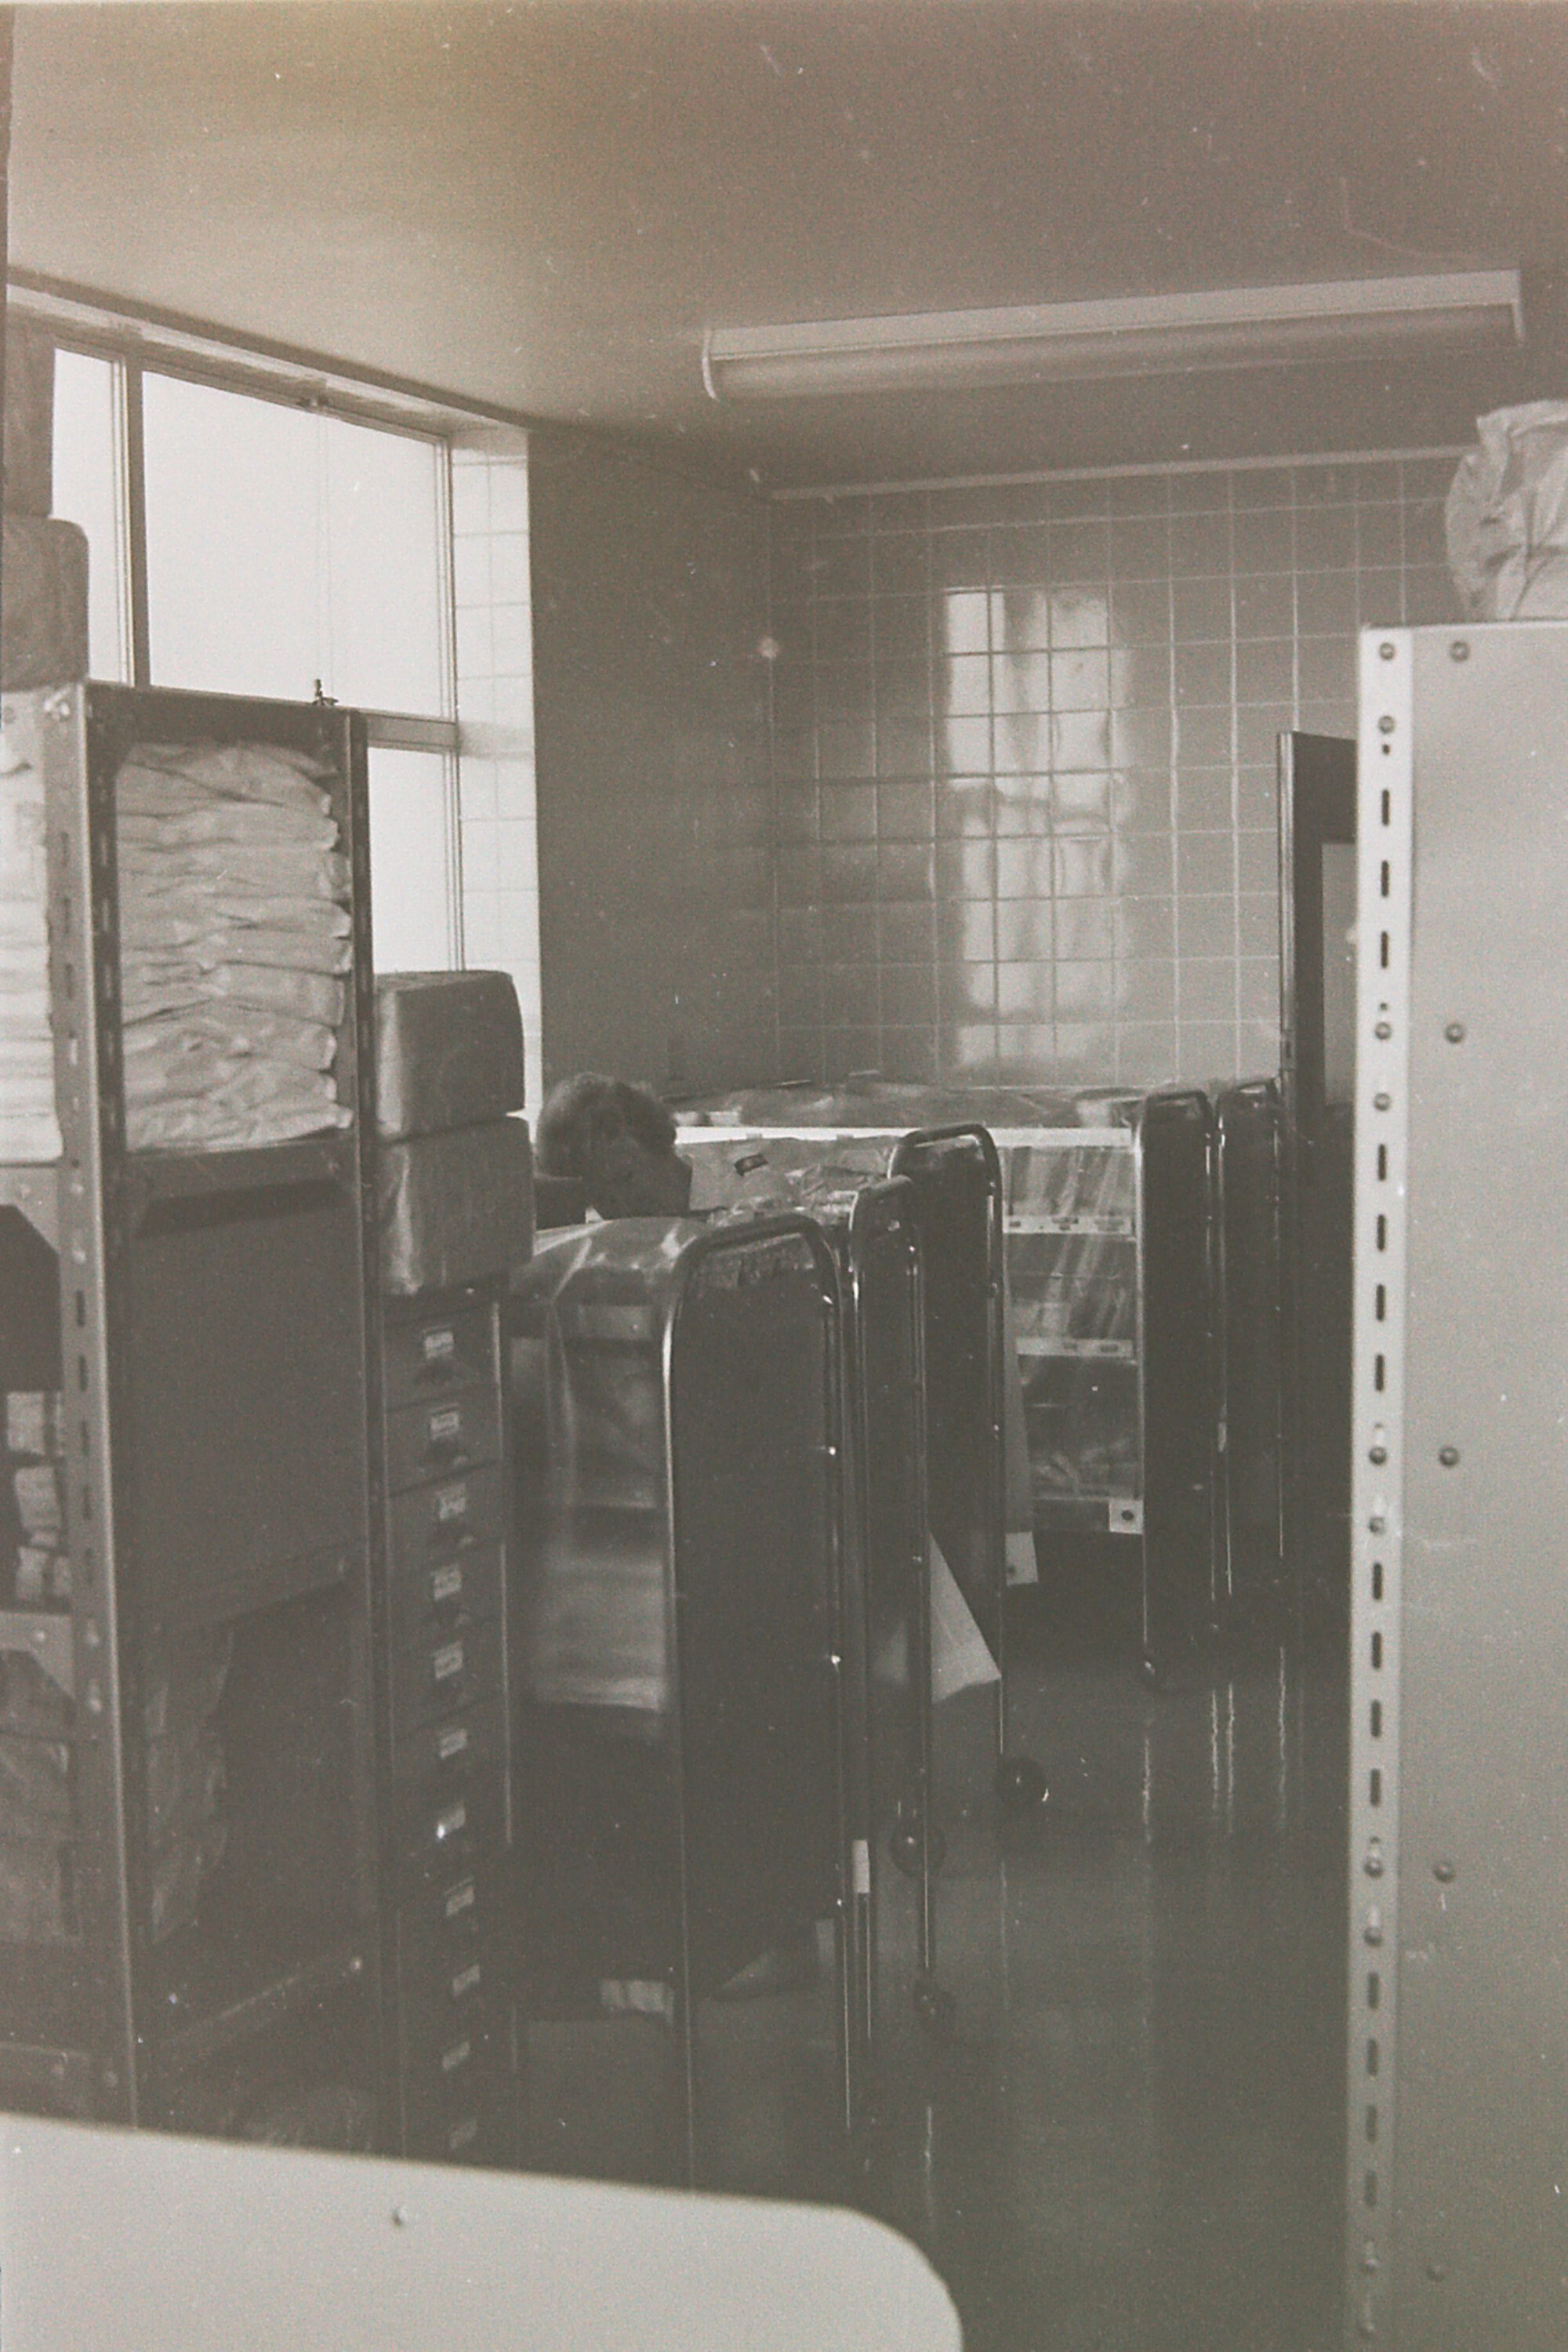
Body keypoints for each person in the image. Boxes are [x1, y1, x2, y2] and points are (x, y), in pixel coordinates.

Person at [533, 1073, 694, 1219]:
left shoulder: (709, 1191)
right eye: (601, 1198)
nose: (622, 1206)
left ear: (654, 1138)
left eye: (625, 1179)